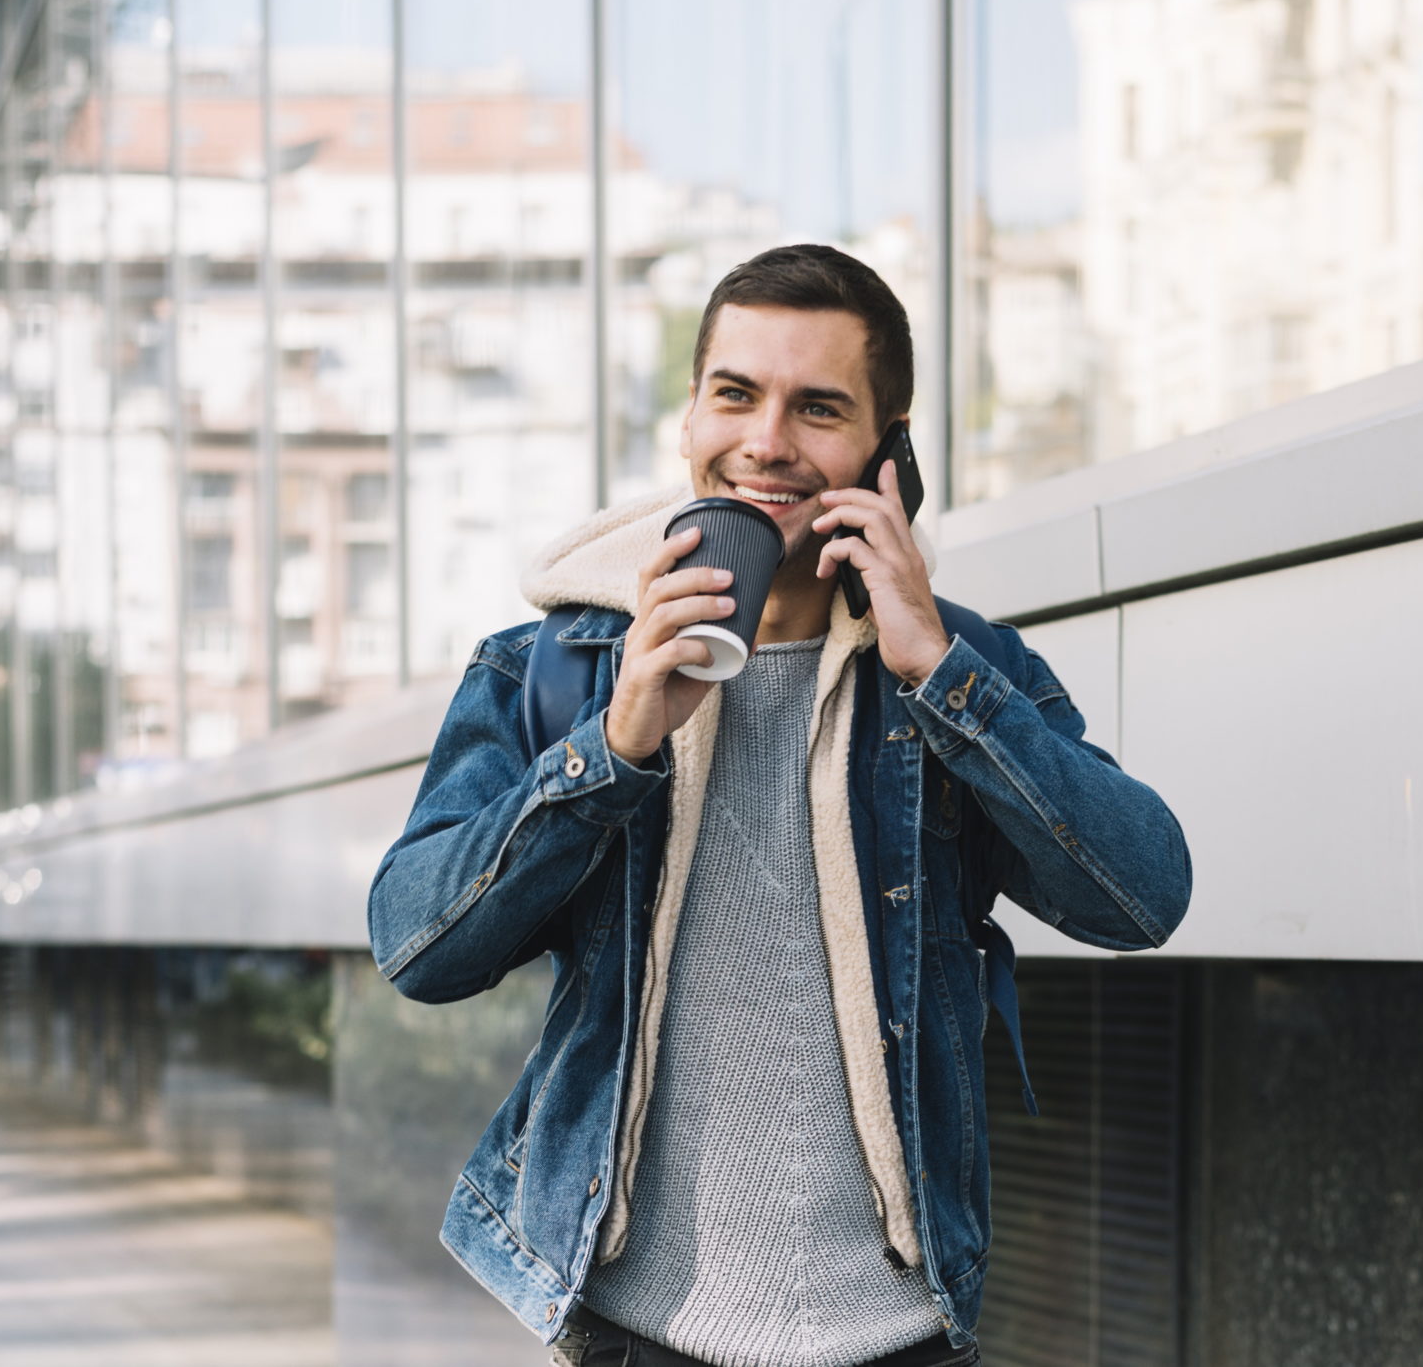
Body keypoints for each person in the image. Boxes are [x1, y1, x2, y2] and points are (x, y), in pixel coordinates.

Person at [368, 244, 1192, 1367]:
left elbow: (1142, 895)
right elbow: (415, 945)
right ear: (688, 417)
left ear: (887, 446)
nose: (765, 441)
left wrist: (939, 674)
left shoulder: (961, 671)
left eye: (817, 407)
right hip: (635, 1333)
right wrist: (614, 745)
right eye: (735, 394)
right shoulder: (551, 666)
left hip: (900, 1338)